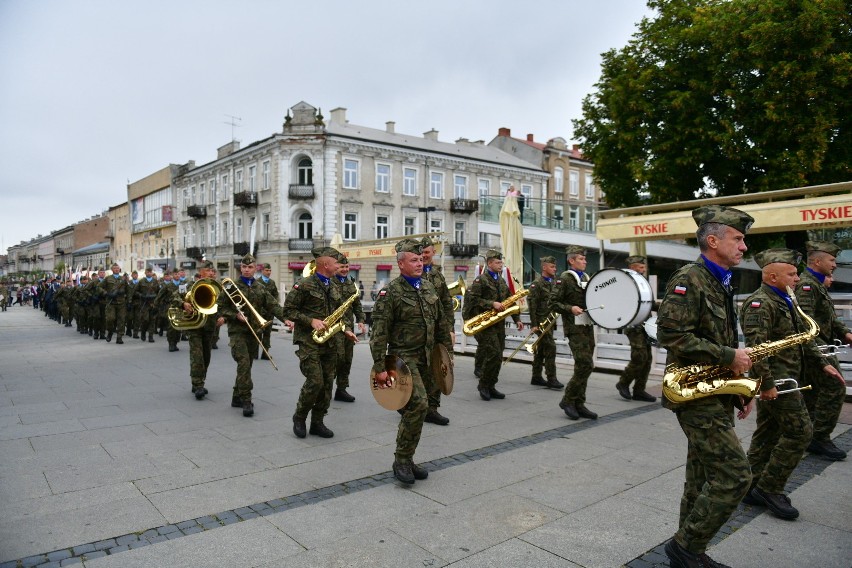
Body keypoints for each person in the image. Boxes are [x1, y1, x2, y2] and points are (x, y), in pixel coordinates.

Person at [656, 205, 755, 568]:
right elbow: (670, 333)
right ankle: (685, 547)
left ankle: (689, 552)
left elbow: (719, 337)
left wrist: (738, 389)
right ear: (713, 240)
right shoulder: (690, 278)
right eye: (738, 239)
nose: (744, 247)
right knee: (736, 475)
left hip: (715, 390)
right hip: (694, 393)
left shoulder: (721, 279)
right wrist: (730, 356)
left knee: (700, 478)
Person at [740, 248, 842, 520]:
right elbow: (757, 348)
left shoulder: (787, 299)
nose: (798, 278)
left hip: (790, 379)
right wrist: (767, 384)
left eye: (797, 273)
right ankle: (770, 488)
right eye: (792, 273)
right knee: (800, 432)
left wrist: (823, 362)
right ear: (772, 276)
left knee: (768, 433)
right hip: (777, 381)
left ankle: (750, 486)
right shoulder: (760, 304)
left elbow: (804, 336)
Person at [371, 238, 453, 484]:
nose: (419, 263)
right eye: (414, 260)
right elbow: (379, 333)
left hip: (427, 357)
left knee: (420, 408)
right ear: (400, 264)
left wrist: (447, 355)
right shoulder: (390, 292)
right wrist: (380, 368)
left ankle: (408, 457)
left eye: (421, 259)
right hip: (403, 358)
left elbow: (441, 324)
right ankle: (402, 460)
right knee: (418, 405)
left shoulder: (428, 287)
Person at [283, 247, 355, 437]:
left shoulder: (335, 285)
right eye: (336, 263)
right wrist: (311, 321)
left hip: (331, 341)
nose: (340, 266)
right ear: (325, 264)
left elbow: (341, 312)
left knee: (327, 385)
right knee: (315, 381)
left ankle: (317, 422)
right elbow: (288, 310)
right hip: (309, 341)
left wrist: (346, 329)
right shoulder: (304, 284)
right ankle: (299, 417)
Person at [795, 240, 851, 461]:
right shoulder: (806, 286)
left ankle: (806, 435)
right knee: (835, 387)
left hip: (822, 348)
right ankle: (819, 437)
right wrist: (818, 355)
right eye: (832, 260)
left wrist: (846, 333)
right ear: (817, 261)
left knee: (813, 394)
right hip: (816, 350)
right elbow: (803, 322)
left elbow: (829, 318)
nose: (835, 265)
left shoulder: (817, 284)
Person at [218, 254, 288, 417]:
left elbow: (273, 306)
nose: (247, 270)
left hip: (254, 332)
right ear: (240, 268)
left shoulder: (260, 288)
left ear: (255, 268)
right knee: (243, 363)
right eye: (244, 267)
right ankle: (246, 400)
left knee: (247, 365)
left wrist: (287, 319)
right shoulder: (230, 287)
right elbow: (220, 308)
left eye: (250, 267)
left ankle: (237, 396)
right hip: (237, 333)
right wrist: (235, 315)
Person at [463, 249, 524, 401]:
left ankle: (491, 385)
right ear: (489, 263)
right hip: (485, 325)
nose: (500, 265)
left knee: (498, 356)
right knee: (493, 353)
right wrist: (492, 304)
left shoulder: (501, 281)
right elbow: (473, 300)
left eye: (501, 262)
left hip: (498, 324)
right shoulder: (480, 280)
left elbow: (510, 301)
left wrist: (517, 319)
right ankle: (483, 385)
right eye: (497, 262)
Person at [551, 245, 597, 420]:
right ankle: (568, 400)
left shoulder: (586, 277)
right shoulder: (565, 278)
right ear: (571, 260)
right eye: (580, 259)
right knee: (585, 364)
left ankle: (579, 403)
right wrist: (570, 308)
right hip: (574, 328)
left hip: (587, 326)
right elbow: (553, 302)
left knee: (583, 366)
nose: (584, 261)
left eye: (585, 259)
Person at [418, 236, 455, 424]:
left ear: (433, 253)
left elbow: (447, 303)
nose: (424, 256)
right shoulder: (413, 272)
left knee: (437, 369)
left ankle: (432, 408)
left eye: (427, 252)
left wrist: (450, 328)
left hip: (437, 330)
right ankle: (409, 404)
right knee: (416, 370)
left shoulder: (438, 275)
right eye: (421, 252)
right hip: (416, 333)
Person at [174, 261, 224, 400]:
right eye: (208, 270)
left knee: (206, 356)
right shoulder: (188, 285)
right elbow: (174, 297)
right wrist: (183, 303)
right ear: (200, 271)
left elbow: (223, 305)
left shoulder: (216, 287)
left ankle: (200, 380)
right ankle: (198, 384)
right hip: (194, 326)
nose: (211, 273)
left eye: (212, 270)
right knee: (197, 356)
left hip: (209, 326)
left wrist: (223, 317)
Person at [616, 256, 657, 402]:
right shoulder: (625, 283)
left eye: (644, 267)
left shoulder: (643, 283)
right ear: (632, 267)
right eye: (640, 267)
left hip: (645, 325)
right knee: (639, 357)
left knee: (647, 359)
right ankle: (623, 382)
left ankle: (639, 390)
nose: (643, 269)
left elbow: (650, 303)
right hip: (633, 325)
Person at [332, 256, 366, 403]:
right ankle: (324, 389)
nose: (345, 270)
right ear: (335, 267)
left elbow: (357, 304)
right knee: (335, 359)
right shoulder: (328, 283)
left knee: (347, 359)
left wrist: (361, 320)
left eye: (347, 267)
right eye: (342, 267)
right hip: (333, 329)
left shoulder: (351, 283)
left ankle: (341, 389)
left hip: (349, 329)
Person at [527, 256, 563, 390]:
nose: (555, 269)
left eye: (555, 266)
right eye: (552, 267)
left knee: (541, 350)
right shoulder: (537, 284)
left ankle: (536, 376)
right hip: (541, 322)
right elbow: (532, 305)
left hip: (550, 321)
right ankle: (551, 378)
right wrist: (534, 324)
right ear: (544, 267)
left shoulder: (554, 282)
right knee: (550, 347)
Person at [99, 263, 128, 344]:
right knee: (110, 319)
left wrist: (129, 301)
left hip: (121, 303)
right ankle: (110, 332)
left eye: (118, 268)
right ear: (112, 269)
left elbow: (128, 290)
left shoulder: (123, 279)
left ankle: (119, 337)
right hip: (111, 303)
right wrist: (106, 293)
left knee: (121, 320)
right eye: (115, 268)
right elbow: (99, 287)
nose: (116, 269)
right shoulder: (108, 278)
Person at [257, 264, 280, 361]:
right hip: (259, 313)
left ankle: (265, 353)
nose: (269, 272)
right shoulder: (257, 282)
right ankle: (254, 353)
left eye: (270, 270)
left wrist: (274, 307)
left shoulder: (272, 282)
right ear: (262, 271)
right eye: (267, 270)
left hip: (269, 312)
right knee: (257, 333)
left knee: (267, 334)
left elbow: (276, 296)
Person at [135, 266, 159, 343]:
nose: (149, 273)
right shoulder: (141, 281)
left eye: (150, 272)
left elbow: (159, 292)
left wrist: (155, 297)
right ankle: (143, 332)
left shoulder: (155, 281)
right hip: (144, 304)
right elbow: (135, 291)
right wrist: (141, 295)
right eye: (147, 272)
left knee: (152, 320)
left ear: (152, 273)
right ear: (145, 273)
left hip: (152, 303)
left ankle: (151, 336)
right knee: (145, 319)